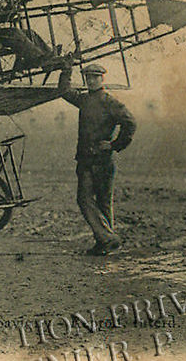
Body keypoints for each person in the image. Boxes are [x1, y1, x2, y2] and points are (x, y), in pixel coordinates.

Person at [58, 60, 136, 255]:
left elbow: (130, 123)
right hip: (86, 159)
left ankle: (106, 242)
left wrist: (115, 145)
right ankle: (107, 240)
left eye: (95, 77)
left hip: (103, 160)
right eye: (88, 78)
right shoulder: (84, 100)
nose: (91, 81)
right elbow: (64, 91)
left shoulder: (110, 102)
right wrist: (66, 70)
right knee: (84, 199)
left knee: (102, 202)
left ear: (102, 78)